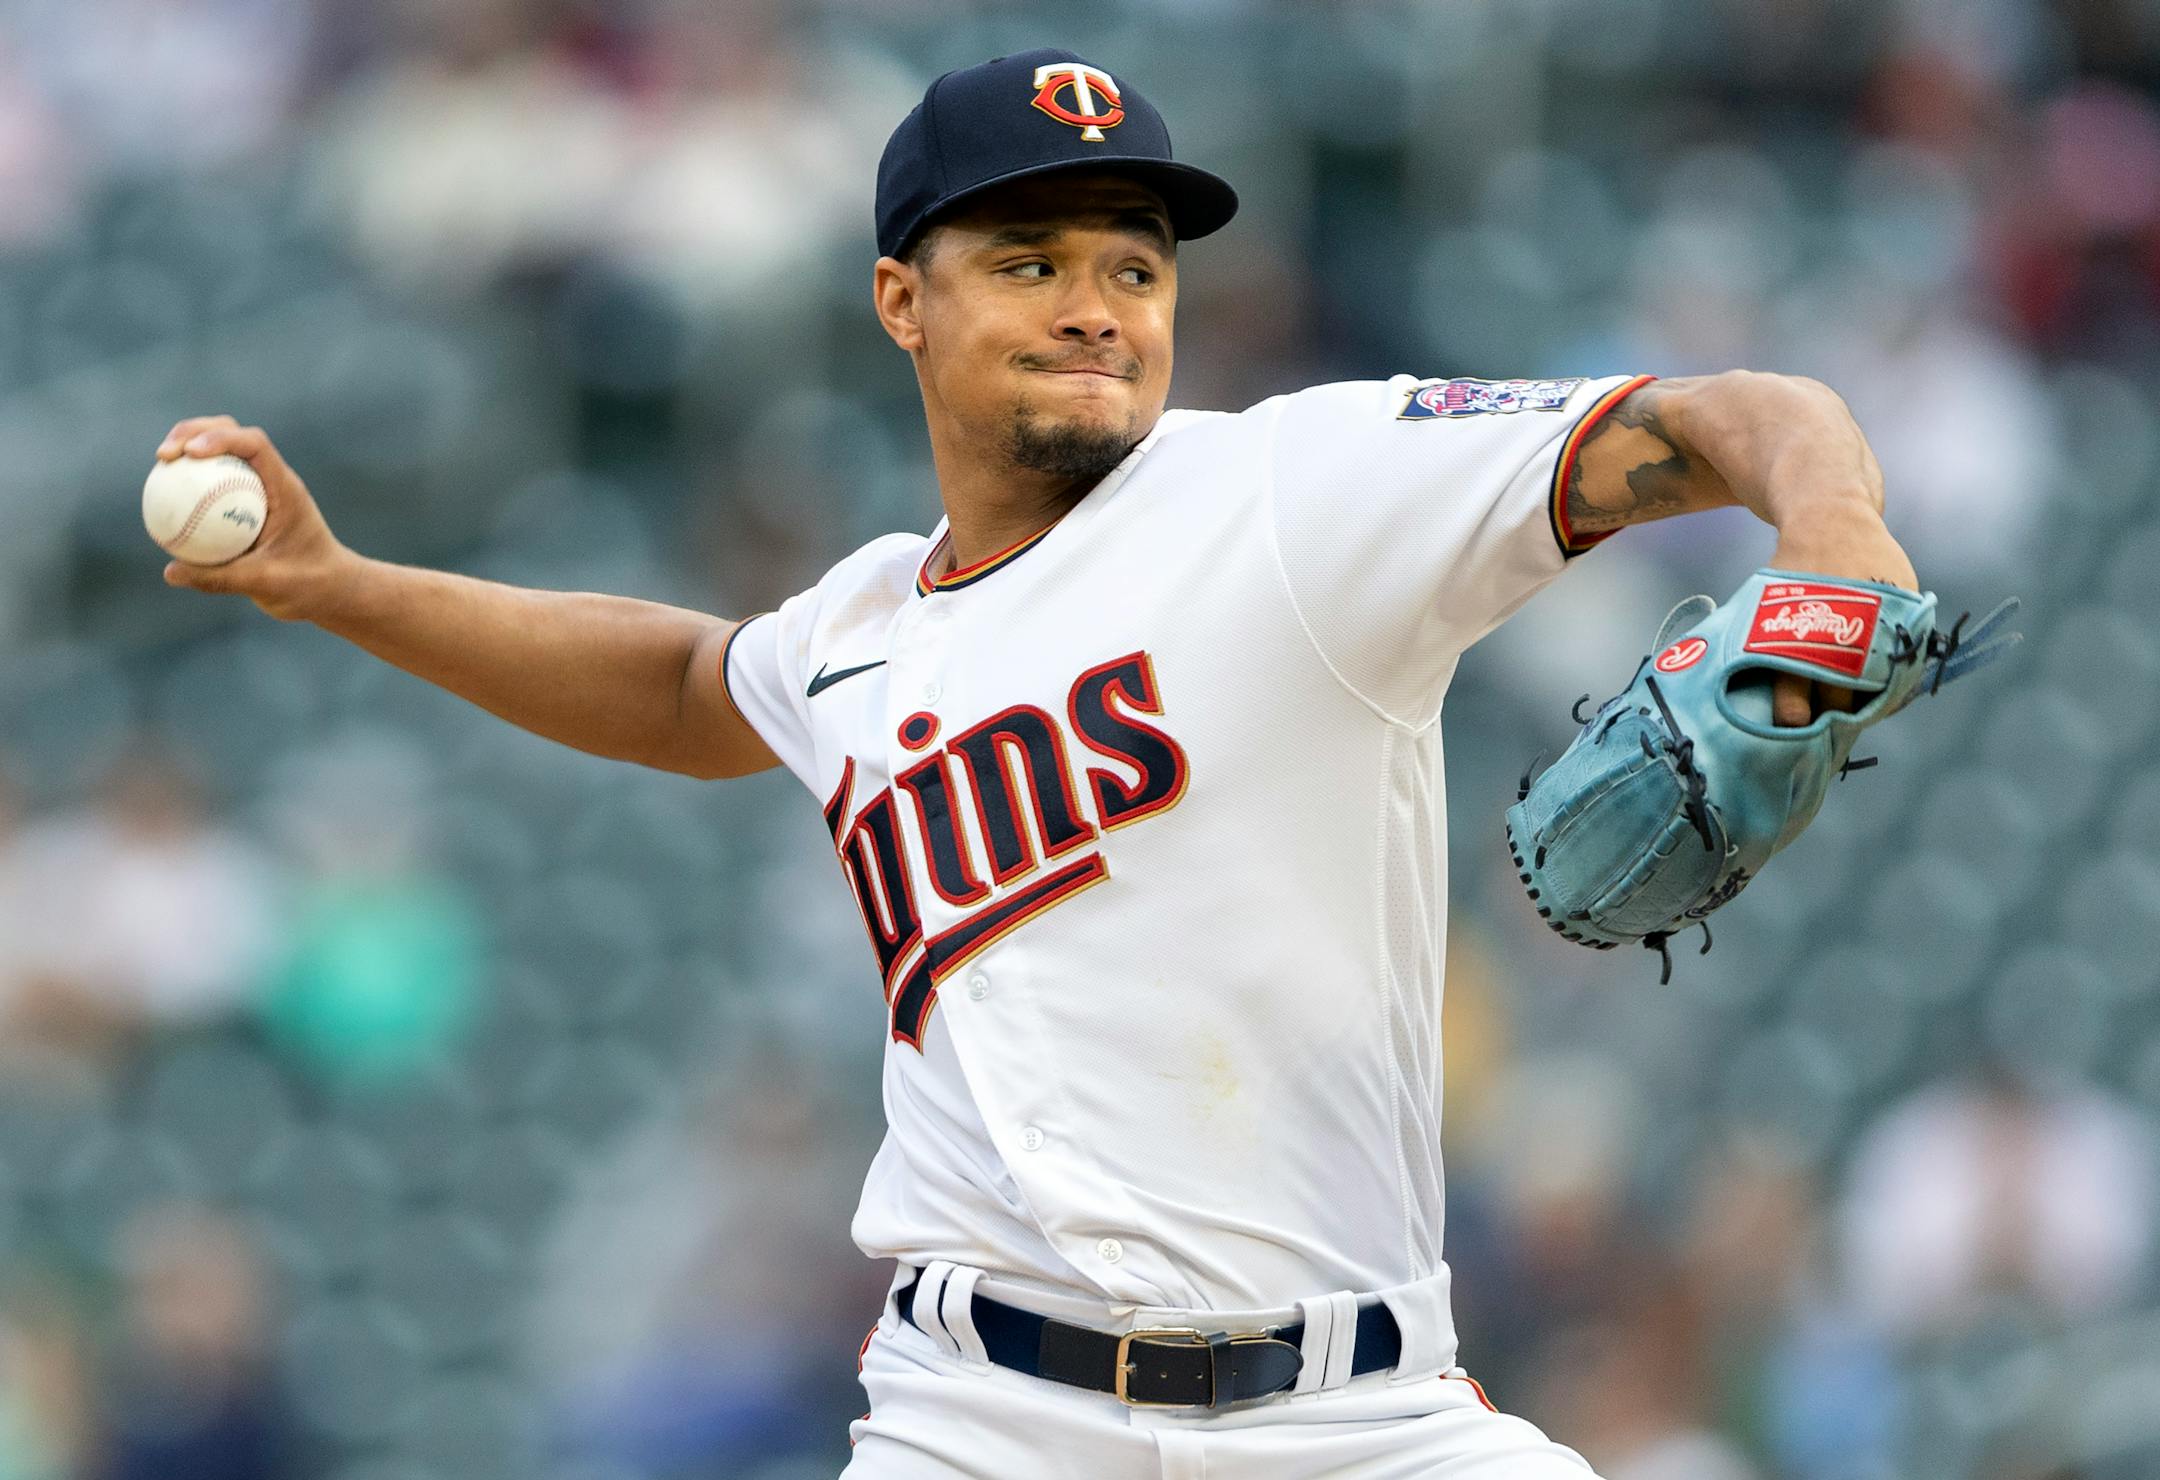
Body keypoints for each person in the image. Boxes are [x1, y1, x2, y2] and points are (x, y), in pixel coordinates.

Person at [155, 47, 1920, 1480]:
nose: (1096, 305)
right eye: (1030, 261)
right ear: (898, 301)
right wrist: (344, 586)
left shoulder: (1299, 490)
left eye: (1134, 266)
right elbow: (695, 687)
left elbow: (1730, 417)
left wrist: (1838, 534)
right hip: (980, 1421)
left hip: (1355, 1419)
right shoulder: (858, 628)